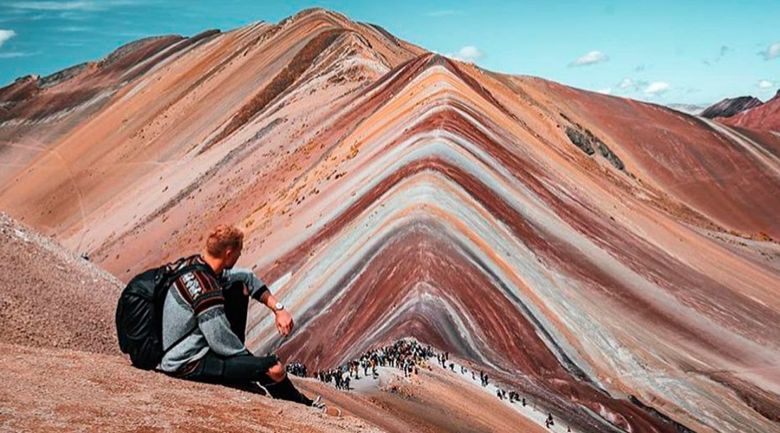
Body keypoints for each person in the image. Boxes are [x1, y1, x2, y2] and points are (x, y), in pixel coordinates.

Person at [157, 224, 328, 411]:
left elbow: (246, 277)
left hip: (181, 346)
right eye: (239, 252)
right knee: (274, 369)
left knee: (237, 287)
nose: (240, 256)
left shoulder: (193, 266)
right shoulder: (207, 291)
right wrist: (254, 364)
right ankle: (306, 407)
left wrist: (279, 310)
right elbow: (222, 343)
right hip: (186, 362)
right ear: (229, 253)